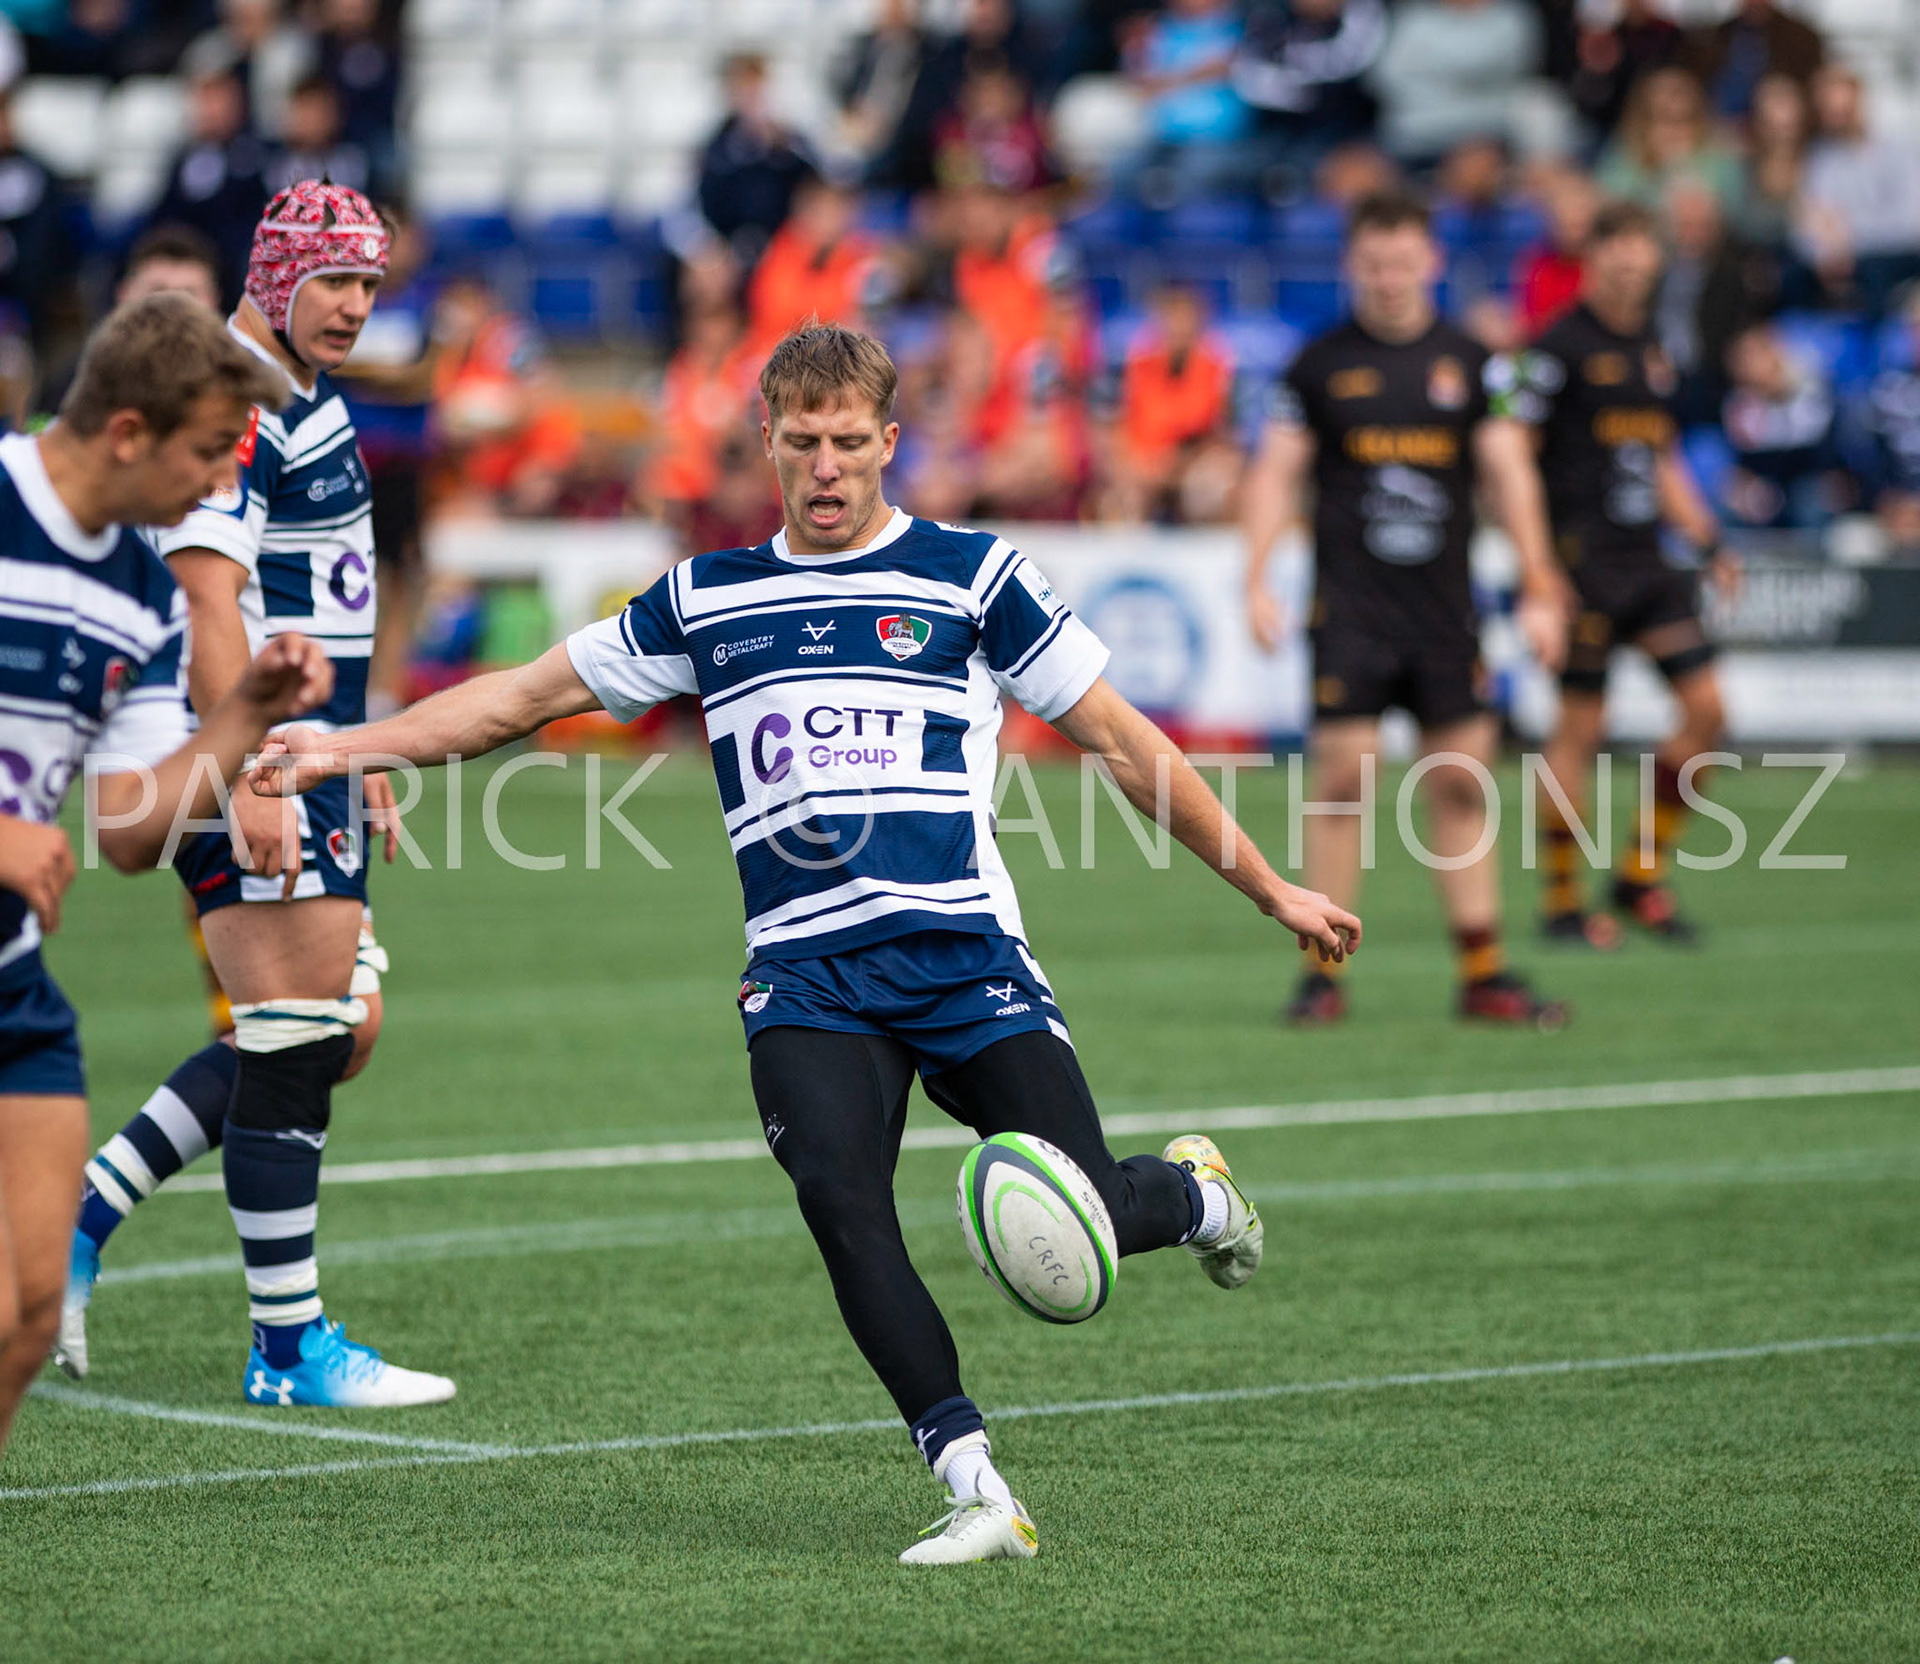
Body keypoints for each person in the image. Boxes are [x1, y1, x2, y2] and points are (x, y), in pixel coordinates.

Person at [251, 321, 1361, 1562]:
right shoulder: (705, 597)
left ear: (890, 443)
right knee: (842, 1195)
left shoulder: (970, 576)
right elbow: (517, 698)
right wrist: (339, 748)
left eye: (849, 443)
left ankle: (1201, 1197)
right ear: (767, 444)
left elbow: (1124, 740)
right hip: (805, 974)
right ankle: (975, 1480)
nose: (826, 467)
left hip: (965, 957)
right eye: (802, 442)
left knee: (1088, 1207)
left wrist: (1272, 887)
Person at [56, 181, 449, 1410]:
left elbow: (315, 589)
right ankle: (289, 1348)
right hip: (249, 750)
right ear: (276, 276)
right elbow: (207, 600)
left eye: (369, 282)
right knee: (293, 1027)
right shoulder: (234, 403)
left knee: (335, 1028)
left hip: (311, 750)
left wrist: (360, 750)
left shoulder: (300, 394)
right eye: (332, 279)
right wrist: (264, 767)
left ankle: (75, 1224)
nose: (354, 305)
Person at [0, 292, 332, 1453]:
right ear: (130, 432)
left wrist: (243, 713)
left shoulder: (140, 597)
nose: (216, 485)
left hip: (14, 986)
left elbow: (134, 830)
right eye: (206, 454)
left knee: (27, 1312)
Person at [1241, 189, 1570, 1029]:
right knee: (1343, 786)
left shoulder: (1473, 362)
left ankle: (1484, 972)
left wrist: (1539, 579)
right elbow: (1276, 473)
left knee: (1461, 789)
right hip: (1349, 614)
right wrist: (1255, 575)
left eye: (1403, 262)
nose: (1389, 279)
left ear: (1431, 263)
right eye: (1374, 264)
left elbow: (1510, 474)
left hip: (1444, 616)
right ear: (1354, 266)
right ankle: (1322, 976)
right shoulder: (1317, 366)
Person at [1517, 200, 1736, 948]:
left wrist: (1707, 538)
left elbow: (1660, 449)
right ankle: (1561, 902)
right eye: (1619, 249)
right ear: (1596, 256)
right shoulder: (1554, 347)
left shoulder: (1649, 342)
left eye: (1644, 250)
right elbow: (1510, 452)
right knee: (1582, 727)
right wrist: (1538, 568)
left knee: (1707, 711)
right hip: (1584, 565)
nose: (1633, 263)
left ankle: (1641, 871)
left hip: (1647, 559)